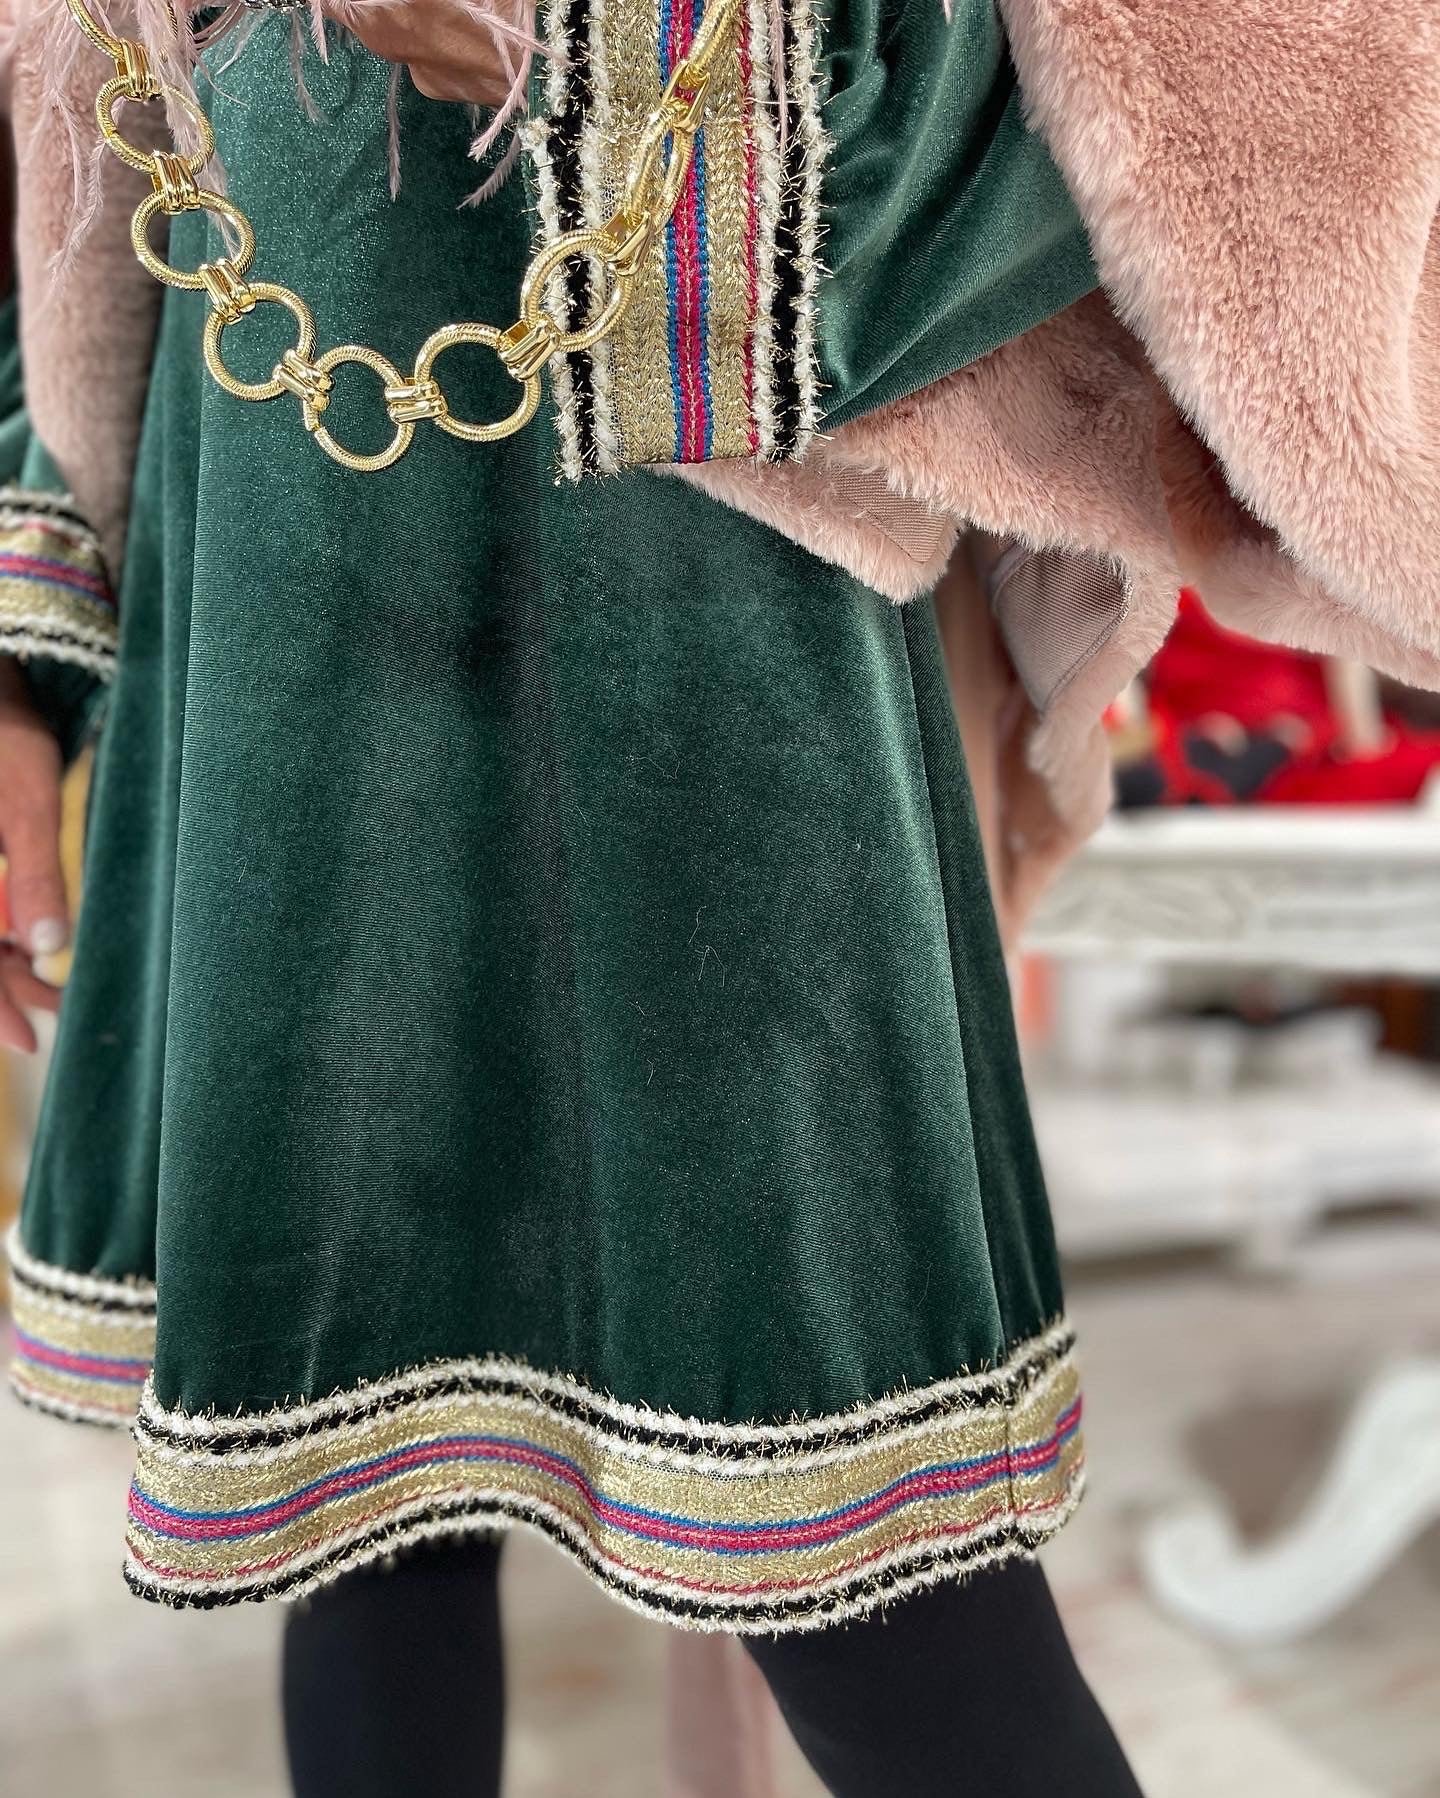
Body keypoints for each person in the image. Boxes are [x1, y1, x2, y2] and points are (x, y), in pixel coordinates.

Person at [6, 1, 1440, 1792]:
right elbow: (77, 125)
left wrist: (618, 75)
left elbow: (1231, 59)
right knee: (354, 1489)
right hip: (269, 547)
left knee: (860, 1530)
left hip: (712, 577)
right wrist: (23, 664)